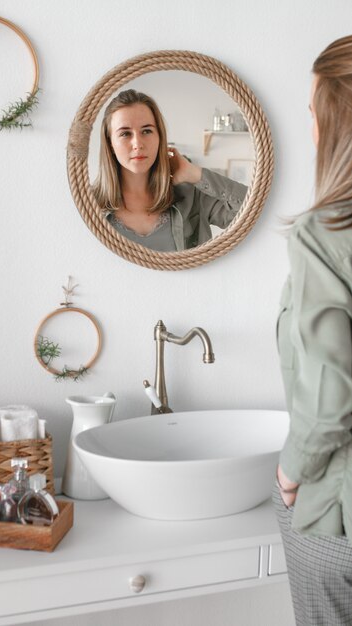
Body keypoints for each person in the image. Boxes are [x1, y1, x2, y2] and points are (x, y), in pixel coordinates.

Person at [274, 35, 352, 626]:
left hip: (337, 512)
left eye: (311, 112)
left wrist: (290, 468)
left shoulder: (324, 235)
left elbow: (328, 401)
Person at [92, 89, 247, 251]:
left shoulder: (191, 194)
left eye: (146, 131)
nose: (137, 143)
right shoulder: (89, 204)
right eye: (125, 134)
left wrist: (195, 174)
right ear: (110, 143)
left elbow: (254, 212)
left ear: (160, 137)